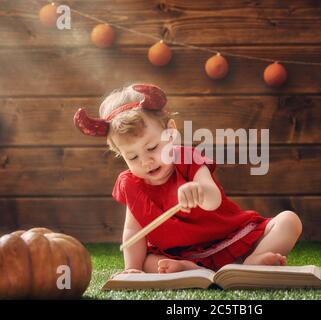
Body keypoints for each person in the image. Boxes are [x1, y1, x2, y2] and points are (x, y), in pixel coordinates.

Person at [73, 83, 302, 273]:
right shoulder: (131, 184)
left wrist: (198, 190)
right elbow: (134, 233)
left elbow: (213, 199)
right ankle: (189, 268)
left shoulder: (186, 158)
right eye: (132, 156)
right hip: (179, 253)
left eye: (152, 147)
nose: (146, 162)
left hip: (229, 238)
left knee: (289, 221)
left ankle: (253, 261)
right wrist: (133, 269)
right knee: (148, 262)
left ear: (171, 133)